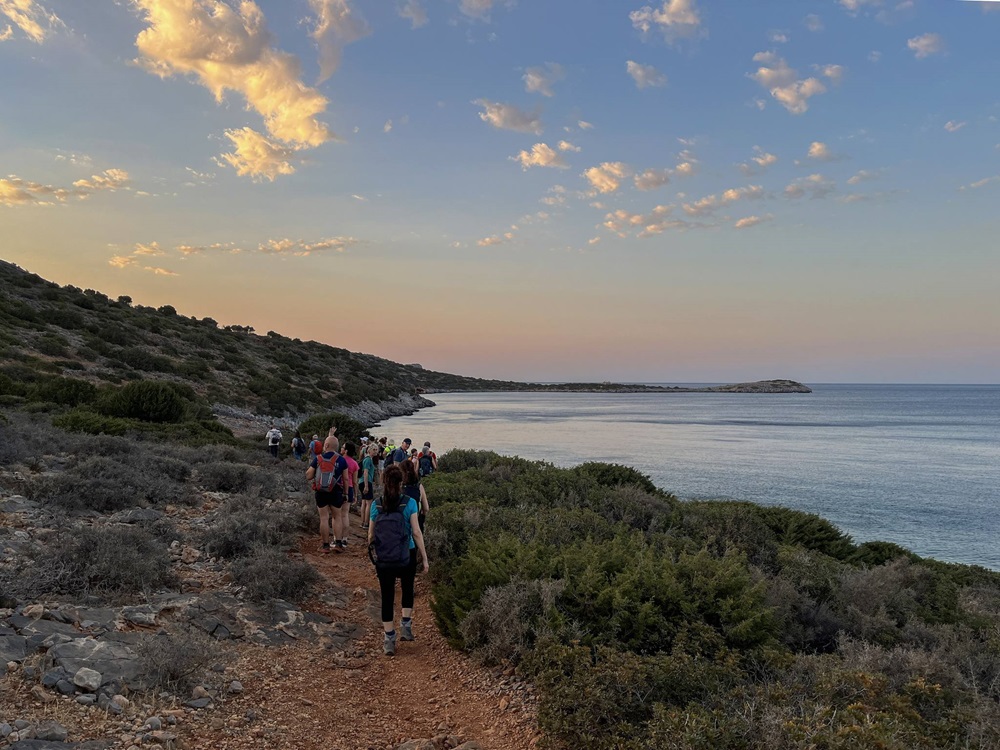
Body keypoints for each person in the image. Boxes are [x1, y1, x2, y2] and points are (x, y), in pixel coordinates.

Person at [369, 464, 429, 656]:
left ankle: (389, 639)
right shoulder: (410, 502)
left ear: (384, 482)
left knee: (387, 596)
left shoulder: (376, 504)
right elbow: (417, 533)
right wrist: (425, 558)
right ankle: (406, 627)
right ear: (401, 482)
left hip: (385, 557)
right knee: (407, 587)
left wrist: (379, 550)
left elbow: (370, 535)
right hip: (407, 553)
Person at [306, 436, 349, 552]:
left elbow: (309, 476)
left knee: (324, 518)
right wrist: (346, 493)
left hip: (321, 492)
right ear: (336, 447)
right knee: (337, 517)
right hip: (336, 492)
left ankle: (325, 546)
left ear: (326, 445)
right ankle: (338, 544)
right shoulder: (341, 460)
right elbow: (345, 479)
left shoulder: (318, 459)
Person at [399, 457, 430, 533]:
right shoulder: (419, 487)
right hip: (416, 521)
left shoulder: (398, 487)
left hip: (400, 523)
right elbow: (426, 508)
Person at [341, 442, 360, 540]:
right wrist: (356, 495)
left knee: (337, 515)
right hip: (350, 488)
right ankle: (345, 538)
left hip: (339, 488)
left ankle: (337, 538)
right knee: (345, 515)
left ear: (346, 450)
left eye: (343, 447)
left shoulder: (339, 460)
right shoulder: (354, 464)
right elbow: (355, 481)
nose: (341, 448)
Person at [360, 444, 378, 530]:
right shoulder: (368, 460)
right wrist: (366, 485)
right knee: (369, 503)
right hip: (366, 482)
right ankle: (366, 523)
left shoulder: (368, 459)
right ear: (369, 450)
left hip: (363, 482)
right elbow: (366, 472)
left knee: (364, 502)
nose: (375, 451)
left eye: (376, 450)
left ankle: (363, 521)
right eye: (374, 449)